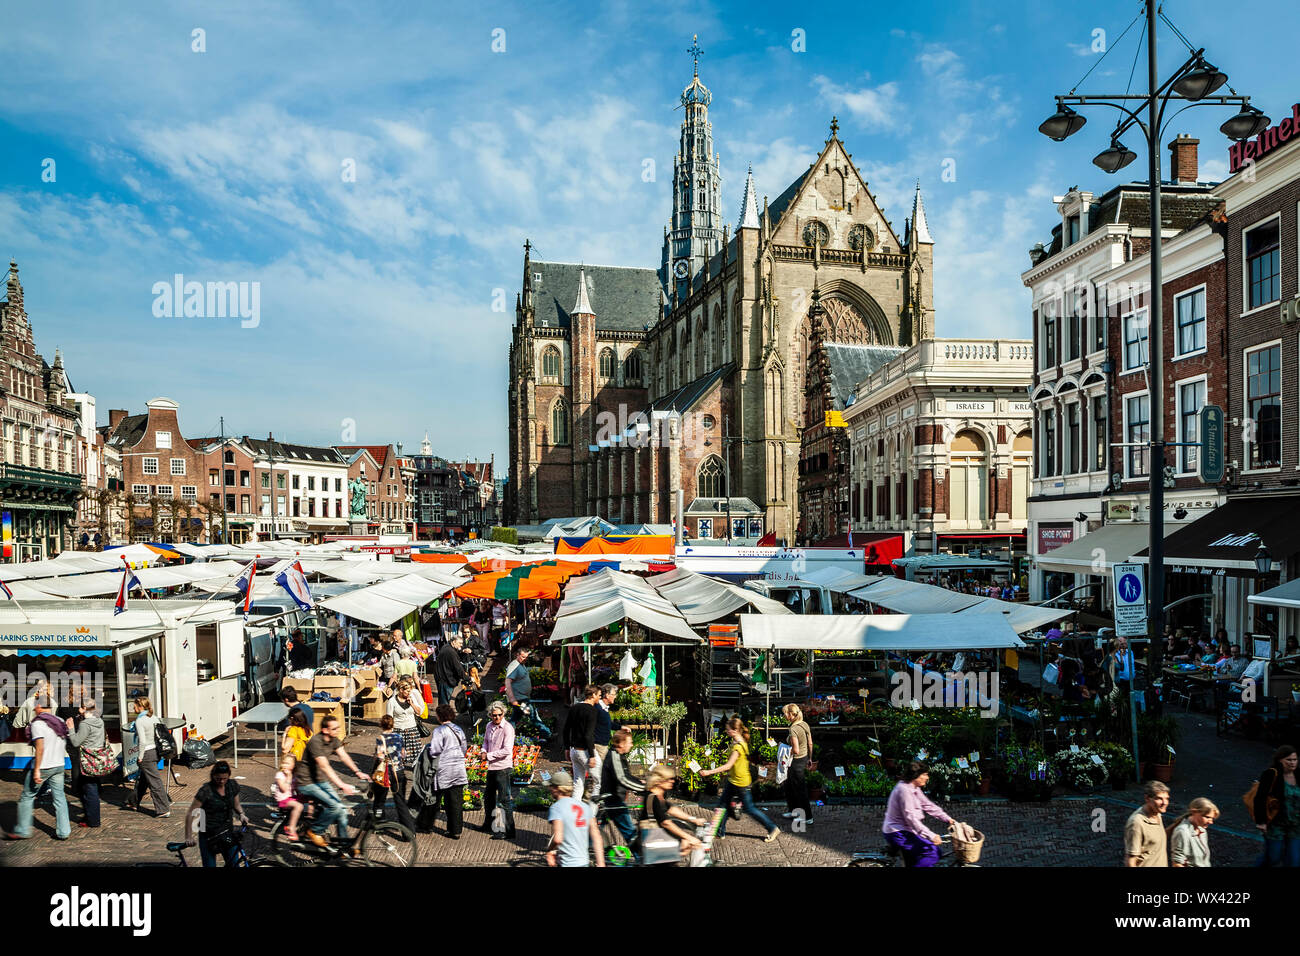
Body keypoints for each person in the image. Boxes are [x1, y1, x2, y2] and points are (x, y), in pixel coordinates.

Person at [698, 717, 779, 843]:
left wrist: (709, 772)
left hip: (740, 783)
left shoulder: (738, 747)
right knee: (722, 805)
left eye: (728, 730)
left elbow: (728, 766)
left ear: (735, 730)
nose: (726, 732)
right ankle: (719, 832)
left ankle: (772, 828)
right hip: (734, 780)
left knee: (749, 809)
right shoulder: (739, 742)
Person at [294, 715, 368, 851]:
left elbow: (343, 756)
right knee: (334, 806)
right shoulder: (315, 742)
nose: (338, 731)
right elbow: (324, 766)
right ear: (325, 730)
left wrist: (358, 772)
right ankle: (315, 831)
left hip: (320, 781)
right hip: (306, 782)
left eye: (338, 728)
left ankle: (344, 847)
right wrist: (341, 785)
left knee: (341, 811)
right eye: (334, 729)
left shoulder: (333, 740)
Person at [7, 696, 71, 841]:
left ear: (40, 706)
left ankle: (23, 830)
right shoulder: (59, 722)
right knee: (60, 798)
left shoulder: (38, 724)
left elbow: (40, 748)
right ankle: (64, 831)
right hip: (59, 765)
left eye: (35, 706)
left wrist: (36, 769)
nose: (34, 709)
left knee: (27, 796)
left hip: (44, 766)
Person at [882, 761, 955, 867]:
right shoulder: (904, 790)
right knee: (932, 852)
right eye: (925, 774)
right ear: (916, 775)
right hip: (897, 832)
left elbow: (928, 805)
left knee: (916, 861)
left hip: (906, 831)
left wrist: (948, 819)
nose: (927, 777)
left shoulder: (914, 787)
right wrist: (932, 836)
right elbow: (911, 818)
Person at [184, 761, 250, 867]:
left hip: (227, 832)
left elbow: (236, 804)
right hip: (208, 835)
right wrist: (188, 836)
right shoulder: (206, 791)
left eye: (225, 778)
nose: (222, 781)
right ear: (213, 776)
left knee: (234, 864)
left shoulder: (232, 786)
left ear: (228, 776)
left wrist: (242, 814)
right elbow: (191, 813)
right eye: (218, 778)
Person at [415, 704, 468, 837]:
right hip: (458, 769)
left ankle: (425, 825)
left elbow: (435, 751)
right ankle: (455, 830)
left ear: (439, 717)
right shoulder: (458, 729)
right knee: (455, 801)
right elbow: (464, 748)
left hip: (444, 770)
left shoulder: (439, 731)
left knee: (433, 798)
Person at [637, 764, 705, 863]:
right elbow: (666, 823)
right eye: (668, 779)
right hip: (652, 839)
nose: (672, 781)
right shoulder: (652, 798)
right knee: (684, 845)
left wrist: (693, 819)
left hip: (659, 837)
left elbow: (672, 809)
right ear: (658, 781)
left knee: (684, 846)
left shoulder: (659, 796)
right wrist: (688, 837)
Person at [545, 770, 605, 867]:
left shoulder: (557, 808)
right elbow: (597, 837)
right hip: (584, 862)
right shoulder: (585, 807)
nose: (549, 789)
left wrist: (549, 850)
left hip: (567, 862)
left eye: (551, 786)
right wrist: (601, 863)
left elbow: (557, 839)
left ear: (557, 788)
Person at [1253, 744, 1300, 867]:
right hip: (1276, 824)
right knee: (1273, 858)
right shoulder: (1271, 774)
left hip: (1296, 825)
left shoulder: (1299, 775)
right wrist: (1261, 821)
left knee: (1294, 861)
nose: (1292, 763)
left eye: (1295, 759)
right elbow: (1260, 798)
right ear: (1280, 760)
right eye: (1288, 760)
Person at [601, 728, 647, 851]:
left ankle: (585, 844)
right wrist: (644, 788)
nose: (631, 745)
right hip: (613, 799)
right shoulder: (615, 756)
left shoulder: (619, 755)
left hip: (612, 798)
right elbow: (622, 779)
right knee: (630, 833)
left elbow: (626, 775)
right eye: (629, 742)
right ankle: (640, 860)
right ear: (621, 744)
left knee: (598, 830)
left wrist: (639, 782)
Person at [66, 697, 107, 829]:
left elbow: (76, 742)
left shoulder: (85, 724)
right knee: (88, 788)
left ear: (85, 708)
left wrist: (71, 729)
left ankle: (93, 820)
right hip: (96, 758)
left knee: (89, 790)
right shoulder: (99, 721)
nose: (78, 709)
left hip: (86, 759)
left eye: (81, 707)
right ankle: (89, 816)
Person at [372, 714, 418, 832]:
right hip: (399, 771)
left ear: (381, 725)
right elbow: (403, 754)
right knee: (400, 801)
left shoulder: (380, 738)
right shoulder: (399, 737)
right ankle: (408, 831)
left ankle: (379, 825)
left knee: (379, 800)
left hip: (386, 773)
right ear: (393, 725)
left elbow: (380, 756)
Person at [127, 698, 171, 818]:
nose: (133, 708)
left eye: (134, 705)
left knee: (154, 782)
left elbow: (142, 741)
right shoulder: (154, 717)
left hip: (146, 753)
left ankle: (163, 809)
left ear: (139, 706)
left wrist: (140, 757)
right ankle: (134, 802)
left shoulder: (140, 721)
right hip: (155, 751)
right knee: (145, 779)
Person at [481, 700, 516, 840]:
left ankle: (508, 831)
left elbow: (507, 750)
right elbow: (485, 742)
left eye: (499, 715)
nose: (497, 718)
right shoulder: (489, 726)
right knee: (488, 798)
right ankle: (488, 824)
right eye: (494, 715)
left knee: (504, 800)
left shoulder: (508, 728)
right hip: (492, 767)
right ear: (490, 715)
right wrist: (483, 750)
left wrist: (488, 755)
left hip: (503, 768)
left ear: (503, 714)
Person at [566, 685, 600, 801]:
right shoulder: (592, 711)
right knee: (599, 782)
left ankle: (575, 813)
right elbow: (588, 735)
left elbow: (566, 729)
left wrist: (567, 748)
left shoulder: (574, 708)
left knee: (578, 783)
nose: (599, 699)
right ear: (593, 695)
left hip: (573, 750)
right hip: (585, 751)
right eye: (599, 695)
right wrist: (592, 755)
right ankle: (592, 813)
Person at [1124, 780, 1170, 867]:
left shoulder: (1157, 813)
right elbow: (1130, 861)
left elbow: (1158, 838)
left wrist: (1178, 822)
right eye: (1159, 798)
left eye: (1167, 798)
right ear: (1147, 799)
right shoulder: (1137, 823)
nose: (1165, 803)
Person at [781, 703, 813, 825]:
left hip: (796, 761)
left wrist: (782, 749)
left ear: (791, 714)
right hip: (803, 758)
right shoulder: (804, 724)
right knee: (789, 786)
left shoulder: (793, 729)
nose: (784, 716)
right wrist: (810, 758)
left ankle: (807, 816)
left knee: (799, 789)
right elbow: (810, 743)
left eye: (785, 714)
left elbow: (796, 750)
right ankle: (793, 811)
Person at [387, 678, 427, 768]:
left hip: (412, 731)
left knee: (416, 756)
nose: (409, 693)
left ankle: (416, 773)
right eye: (407, 691)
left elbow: (419, 712)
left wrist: (412, 704)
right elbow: (389, 718)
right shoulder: (392, 702)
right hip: (398, 731)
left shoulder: (411, 698)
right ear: (401, 690)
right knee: (398, 757)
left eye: (410, 691)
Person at [1169, 797, 1219, 867]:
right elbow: (1177, 863)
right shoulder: (1182, 831)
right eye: (1207, 817)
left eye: (1212, 818)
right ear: (1194, 812)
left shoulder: (1202, 831)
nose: (1211, 822)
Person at [591, 683, 618, 801]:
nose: (615, 697)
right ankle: (594, 801)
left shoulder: (604, 709)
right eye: (614, 694)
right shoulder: (597, 708)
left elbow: (608, 724)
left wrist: (621, 727)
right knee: (600, 776)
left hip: (603, 745)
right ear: (606, 695)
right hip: (599, 745)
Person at [272, 752, 304, 841]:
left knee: (309, 800)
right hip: (282, 799)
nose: (284, 765)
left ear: (294, 765)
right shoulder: (280, 775)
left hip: (290, 797)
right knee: (299, 806)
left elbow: (296, 789)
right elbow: (284, 789)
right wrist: (289, 777)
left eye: (287, 763)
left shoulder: (294, 775)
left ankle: (305, 825)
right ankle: (291, 827)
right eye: (283, 763)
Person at [434, 634, 467, 709]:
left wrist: (461, 652)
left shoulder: (447, 647)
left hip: (442, 677)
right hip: (445, 679)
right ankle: (443, 718)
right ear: (454, 642)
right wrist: (467, 678)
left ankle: (443, 717)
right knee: (444, 702)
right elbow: (458, 668)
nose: (461, 645)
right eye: (460, 643)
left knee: (444, 700)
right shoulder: (450, 652)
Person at [504, 647, 533, 724]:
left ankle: (508, 732)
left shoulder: (520, 664)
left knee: (516, 717)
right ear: (517, 655)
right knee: (532, 714)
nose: (525, 659)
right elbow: (507, 682)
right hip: (519, 699)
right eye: (523, 657)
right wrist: (512, 699)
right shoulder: (514, 666)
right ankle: (547, 733)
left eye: (526, 657)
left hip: (522, 697)